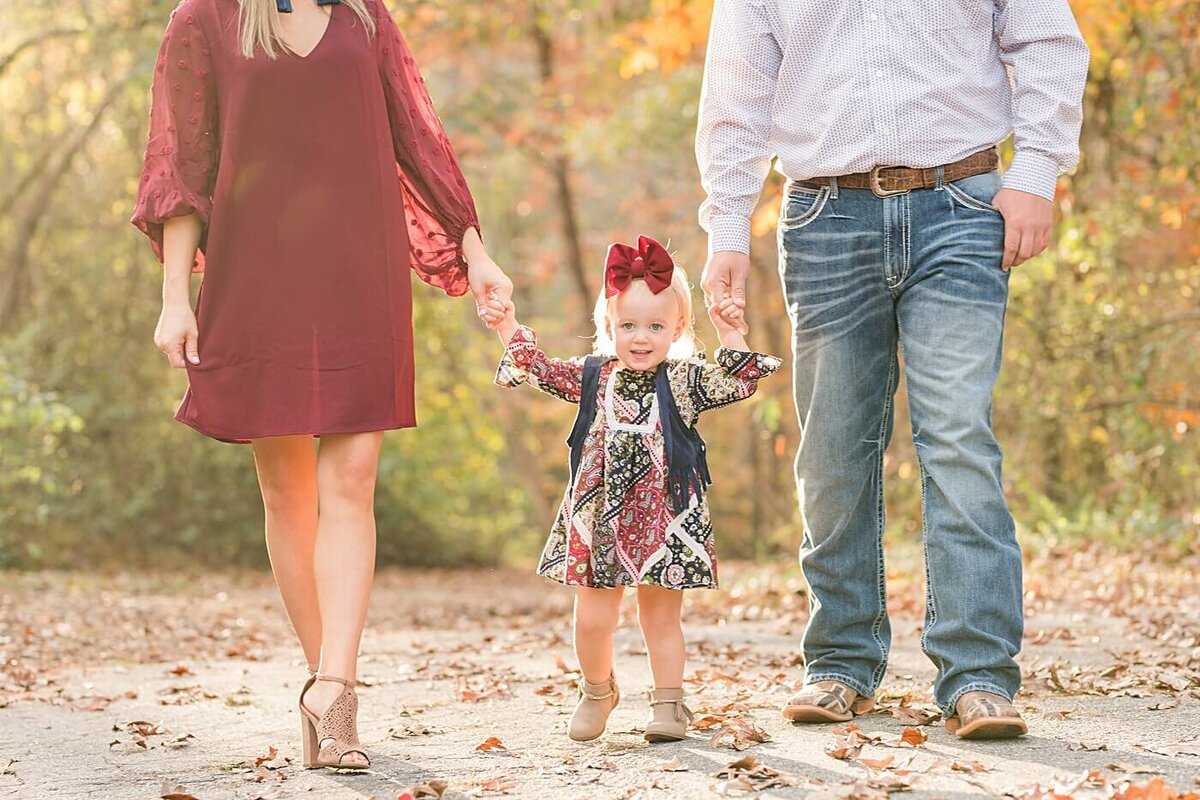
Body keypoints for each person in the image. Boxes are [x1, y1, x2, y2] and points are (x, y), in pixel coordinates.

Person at [132, 0, 511, 770]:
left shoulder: (365, 17)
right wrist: (176, 296)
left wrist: (477, 252)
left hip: (356, 267)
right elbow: (181, 166)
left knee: (354, 476)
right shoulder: (203, 19)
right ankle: (322, 682)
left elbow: (419, 139)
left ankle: (337, 690)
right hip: (256, 271)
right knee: (287, 490)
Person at [695, 1, 1089, 739]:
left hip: (965, 206)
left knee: (958, 438)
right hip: (824, 217)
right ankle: (841, 661)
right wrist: (727, 228)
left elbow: (1049, 41)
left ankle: (976, 675)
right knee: (834, 452)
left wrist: (1036, 171)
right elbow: (737, 90)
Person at [484, 235, 780, 742]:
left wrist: (732, 332)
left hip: (666, 521)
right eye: (628, 326)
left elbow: (740, 383)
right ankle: (598, 690)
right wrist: (507, 323)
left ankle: (669, 703)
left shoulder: (685, 380)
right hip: (599, 518)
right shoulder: (593, 377)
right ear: (608, 326)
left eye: (655, 326)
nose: (640, 338)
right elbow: (537, 367)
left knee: (660, 619)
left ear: (679, 328)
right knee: (593, 618)